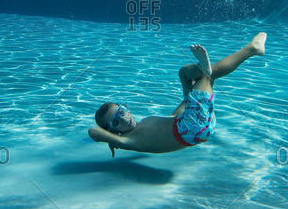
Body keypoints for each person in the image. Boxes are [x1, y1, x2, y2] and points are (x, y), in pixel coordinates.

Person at [87, 32, 266, 156]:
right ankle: (252, 48)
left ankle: (204, 69)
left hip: (189, 126)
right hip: (193, 126)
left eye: (121, 111)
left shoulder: (141, 128)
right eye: (117, 121)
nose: (125, 118)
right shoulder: (129, 140)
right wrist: (112, 139)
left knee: (184, 74)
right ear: (112, 130)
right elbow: (93, 131)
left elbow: (172, 119)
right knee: (208, 76)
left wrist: (188, 96)